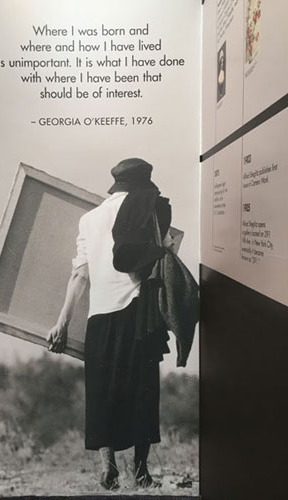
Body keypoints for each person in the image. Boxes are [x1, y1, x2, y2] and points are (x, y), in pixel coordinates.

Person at [47, 158, 184, 490]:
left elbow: (80, 274)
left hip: (101, 315)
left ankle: (107, 467)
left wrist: (61, 323)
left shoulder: (89, 219)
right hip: (140, 314)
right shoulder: (150, 211)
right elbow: (166, 257)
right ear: (144, 184)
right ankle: (141, 472)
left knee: (101, 391)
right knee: (143, 392)